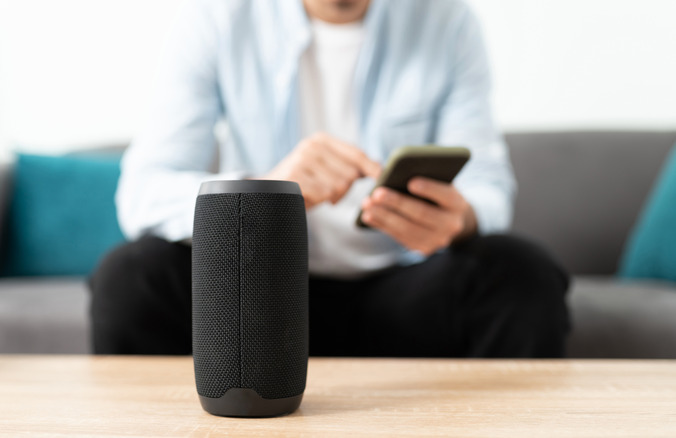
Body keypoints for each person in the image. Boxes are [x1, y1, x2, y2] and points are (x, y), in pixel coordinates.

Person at [90, 0, 570, 357]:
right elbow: (144, 193)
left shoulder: (445, 20)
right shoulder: (219, 18)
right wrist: (266, 191)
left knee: (522, 273)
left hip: (403, 290)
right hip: (257, 296)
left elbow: (488, 187)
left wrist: (458, 218)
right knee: (130, 278)